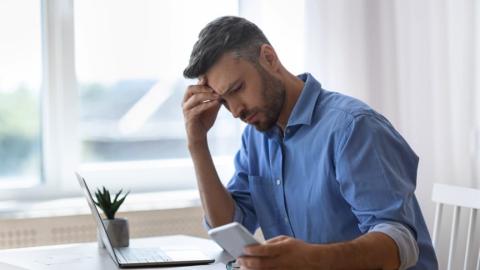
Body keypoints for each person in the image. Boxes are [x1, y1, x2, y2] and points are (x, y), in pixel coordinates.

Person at [181, 16, 438, 270]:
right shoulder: (256, 137)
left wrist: (312, 260)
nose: (236, 110)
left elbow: (400, 243)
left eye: (237, 88)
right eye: (224, 101)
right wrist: (197, 142)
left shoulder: (353, 127)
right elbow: (231, 227)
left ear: (269, 58)